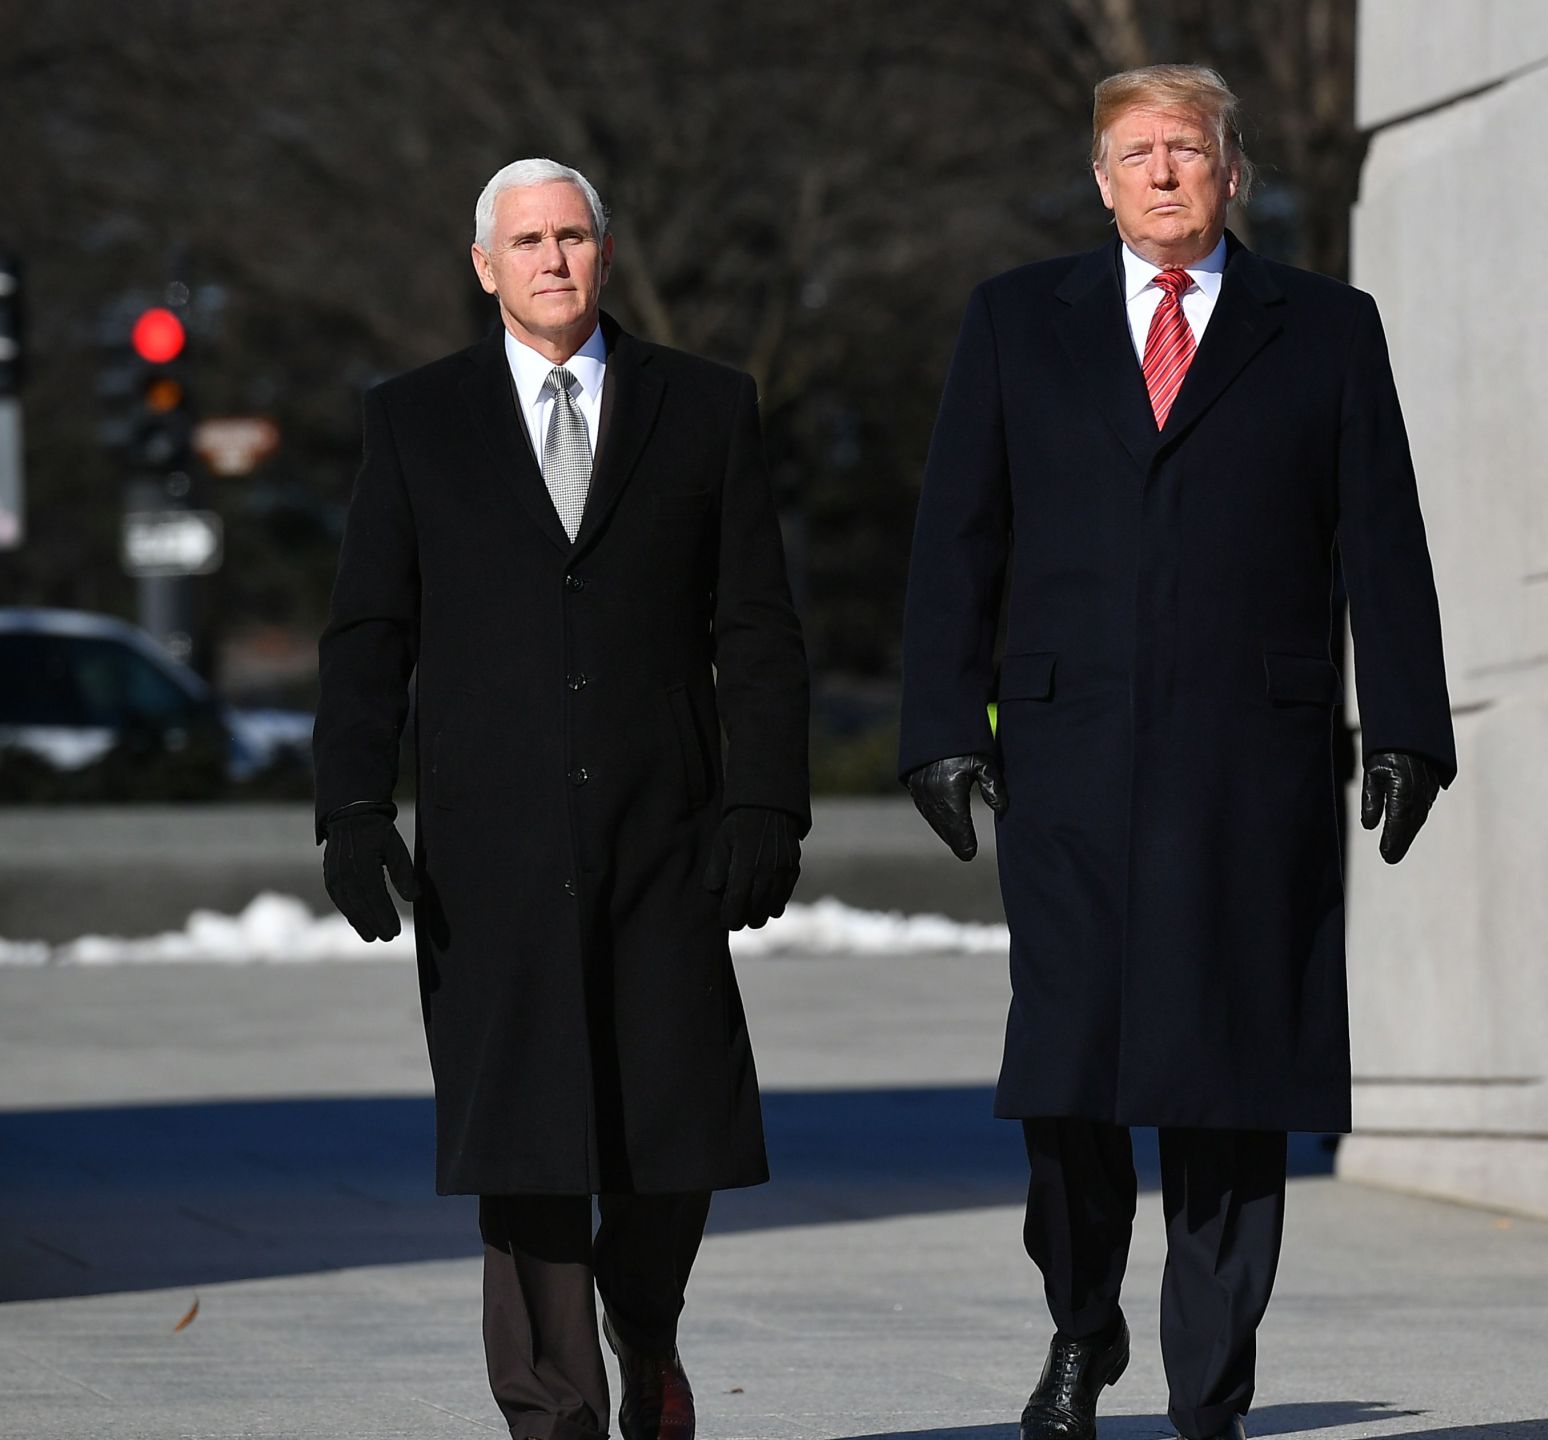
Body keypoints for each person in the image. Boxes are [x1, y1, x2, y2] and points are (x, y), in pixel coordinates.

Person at [898, 64, 1456, 1440]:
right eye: (1135, 151)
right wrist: (935, 730)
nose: (1161, 172)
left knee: (1232, 1078)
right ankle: (1083, 1327)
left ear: (1230, 170)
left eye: (1186, 150)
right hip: (1066, 760)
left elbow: (1379, 541)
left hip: (1247, 768)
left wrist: (1407, 727)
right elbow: (957, 542)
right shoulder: (1017, 323)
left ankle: (1211, 1390)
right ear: (1099, 177)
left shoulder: (1320, 329)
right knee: (1070, 1080)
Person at [314, 157, 808, 1440]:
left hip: (665, 835)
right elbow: (370, 630)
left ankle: (644, 1324)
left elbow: (755, 625)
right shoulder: (415, 420)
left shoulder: (704, 409)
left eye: (573, 235)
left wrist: (768, 805)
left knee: (673, 1140)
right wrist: (352, 808)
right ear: (483, 265)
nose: (551, 258)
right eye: (524, 240)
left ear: (604, 253)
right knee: (526, 1151)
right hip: (492, 853)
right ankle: (553, 1416)